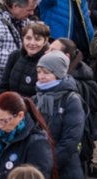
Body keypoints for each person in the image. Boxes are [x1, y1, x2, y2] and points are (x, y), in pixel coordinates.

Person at [0, 91, 55, 177]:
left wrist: (1, 177)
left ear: (20, 115)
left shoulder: (37, 143)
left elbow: (38, 176)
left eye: (4, 121)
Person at [34, 50, 87, 179]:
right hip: (40, 166)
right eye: (39, 72)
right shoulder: (36, 98)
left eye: (46, 72)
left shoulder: (71, 100)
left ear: (58, 73)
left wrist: (47, 163)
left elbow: (70, 140)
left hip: (66, 169)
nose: (41, 76)